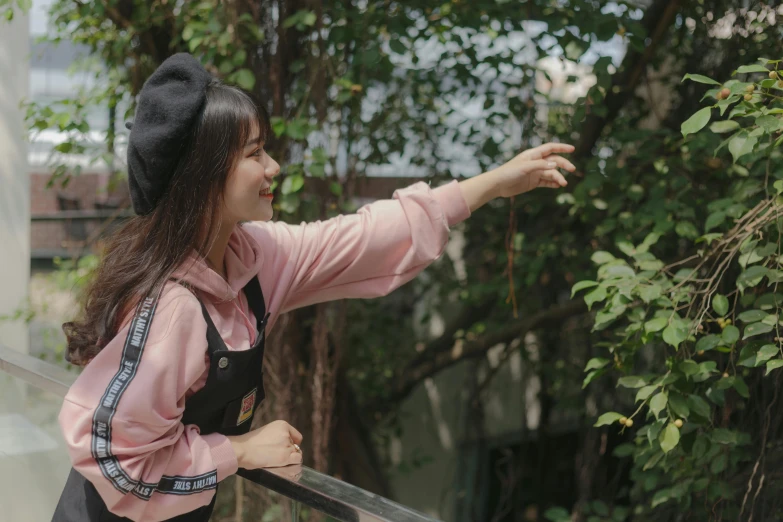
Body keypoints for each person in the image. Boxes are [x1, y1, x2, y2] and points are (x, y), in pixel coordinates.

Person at [51, 53, 575, 522]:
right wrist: (243, 451)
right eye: (255, 153)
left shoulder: (252, 259)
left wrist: (492, 184)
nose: (273, 167)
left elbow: (363, 237)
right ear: (205, 177)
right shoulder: (171, 308)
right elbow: (115, 458)